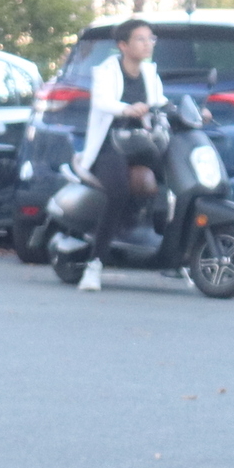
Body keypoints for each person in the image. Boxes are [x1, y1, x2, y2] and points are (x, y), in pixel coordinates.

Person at [78, 17, 165, 291]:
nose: (148, 44)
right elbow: (102, 101)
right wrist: (126, 109)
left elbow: (160, 103)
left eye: (150, 38)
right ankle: (94, 265)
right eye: (141, 39)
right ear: (123, 45)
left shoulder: (150, 73)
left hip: (141, 142)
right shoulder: (105, 70)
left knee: (171, 180)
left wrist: (194, 112)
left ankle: (172, 254)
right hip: (110, 143)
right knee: (118, 192)